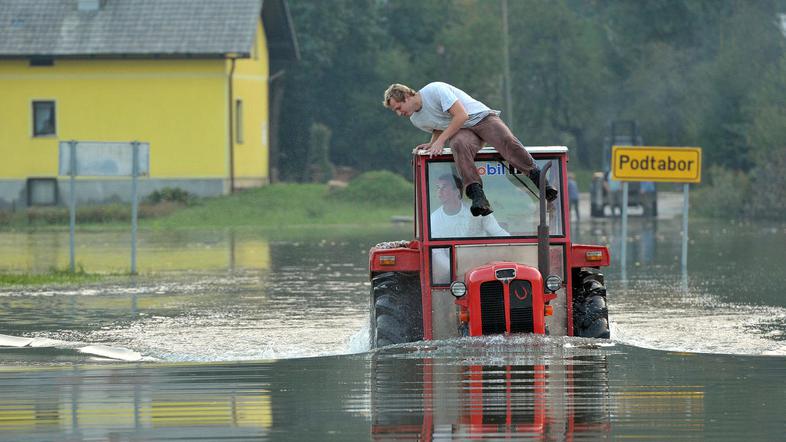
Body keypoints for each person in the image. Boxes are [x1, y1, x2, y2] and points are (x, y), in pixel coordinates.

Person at [383, 82, 557, 218]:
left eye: (398, 108)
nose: (399, 113)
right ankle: (477, 196)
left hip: (480, 118)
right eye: (395, 111)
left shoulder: (435, 90)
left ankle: (541, 182)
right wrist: (433, 142)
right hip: (463, 131)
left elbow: (461, 115)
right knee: (458, 145)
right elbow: (438, 125)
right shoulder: (416, 120)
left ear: (406, 96)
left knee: (506, 141)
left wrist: (441, 141)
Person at [430, 174, 509, 238]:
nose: (439, 192)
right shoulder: (434, 219)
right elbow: (437, 252)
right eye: (438, 187)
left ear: (457, 191)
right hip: (450, 258)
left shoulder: (478, 211)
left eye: (444, 187)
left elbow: (498, 232)